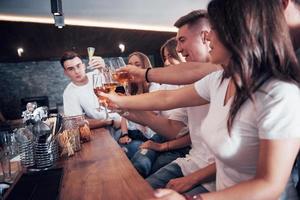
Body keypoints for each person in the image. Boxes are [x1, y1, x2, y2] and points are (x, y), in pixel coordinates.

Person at [102, 0, 300, 199]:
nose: (208, 37)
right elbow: (166, 97)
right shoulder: (219, 80)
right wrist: (118, 102)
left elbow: (270, 185)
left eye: (213, 29)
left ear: (239, 30)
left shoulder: (280, 94)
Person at [116, 10, 217, 195]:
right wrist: (123, 108)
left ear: (206, 36)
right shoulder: (198, 82)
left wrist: (141, 75)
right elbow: (173, 128)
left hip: (214, 176)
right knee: (135, 191)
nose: (178, 49)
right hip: (191, 162)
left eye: (182, 40)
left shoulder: (221, 74)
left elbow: (164, 98)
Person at [60, 51, 121, 133]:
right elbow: (76, 123)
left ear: (84, 66)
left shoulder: (98, 74)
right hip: (108, 130)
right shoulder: (69, 93)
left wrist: (105, 68)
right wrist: (109, 121)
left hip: (128, 120)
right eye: (71, 69)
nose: (77, 71)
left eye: (78, 66)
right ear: (66, 73)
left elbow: (121, 85)